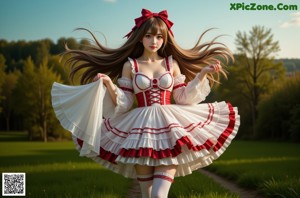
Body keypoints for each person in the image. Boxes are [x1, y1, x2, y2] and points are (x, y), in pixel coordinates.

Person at [51, 8, 240, 198]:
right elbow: (124, 102)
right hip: (140, 131)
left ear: (165, 39)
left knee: (159, 195)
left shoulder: (171, 64)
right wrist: (109, 84)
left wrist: (202, 74)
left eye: (159, 36)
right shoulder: (130, 66)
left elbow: (182, 97)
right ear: (140, 37)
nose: (154, 41)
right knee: (147, 195)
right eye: (149, 36)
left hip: (170, 129)